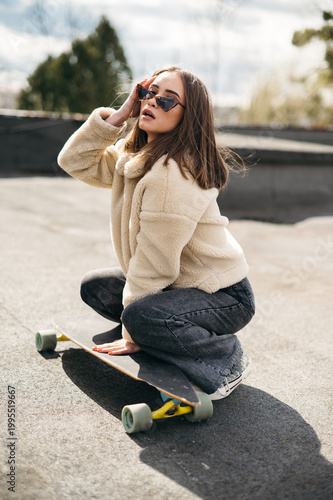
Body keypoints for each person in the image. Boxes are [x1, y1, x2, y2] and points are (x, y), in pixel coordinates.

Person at [57, 65, 255, 399]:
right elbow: (74, 160)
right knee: (96, 288)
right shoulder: (135, 156)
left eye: (167, 101)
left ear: (187, 117)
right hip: (180, 284)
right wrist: (121, 114)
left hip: (224, 296)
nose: (152, 102)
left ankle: (227, 359)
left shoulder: (172, 173)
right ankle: (165, 334)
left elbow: (155, 262)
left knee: (139, 315)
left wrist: (133, 330)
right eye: (149, 93)